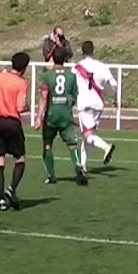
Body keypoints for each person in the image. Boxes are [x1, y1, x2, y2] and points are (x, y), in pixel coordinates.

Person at [0, 52, 31, 212]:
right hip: (12, 123)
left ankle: (1, 200)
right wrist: (28, 106)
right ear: (24, 68)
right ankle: (11, 189)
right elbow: (20, 107)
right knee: (20, 159)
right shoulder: (21, 83)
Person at [34, 46, 86, 186]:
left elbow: (44, 97)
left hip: (51, 115)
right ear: (65, 59)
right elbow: (74, 96)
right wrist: (68, 106)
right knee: (72, 144)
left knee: (47, 144)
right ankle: (78, 166)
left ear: (52, 58)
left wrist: (39, 117)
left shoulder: (47, 76)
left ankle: (51, 175)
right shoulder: (72, 76)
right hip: (65, 114)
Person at [74, 40, 118, 172]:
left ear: (82, 52)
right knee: (89, 135)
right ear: (93, 51)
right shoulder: (102, 66)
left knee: (88, 135)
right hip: (98, 104)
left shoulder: (77, 67)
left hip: (84, 104)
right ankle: (83, 165)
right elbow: (114, 84)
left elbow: (71, 84)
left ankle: (106, 147)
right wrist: (115, 97)